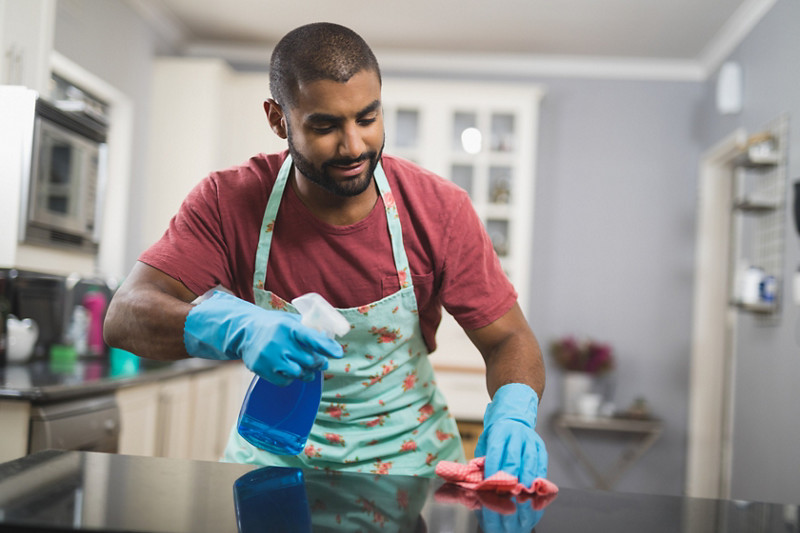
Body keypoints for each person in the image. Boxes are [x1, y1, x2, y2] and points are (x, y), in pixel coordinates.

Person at [104, 22, 548, 484]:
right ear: (279, 120)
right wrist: (234, 327)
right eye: (325, 125)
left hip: (408, 466)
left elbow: (509, 338)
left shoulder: (439, 209)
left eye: (367, 118)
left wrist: (514, 412)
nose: (354, 145)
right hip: (270, 459)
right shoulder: (228, 200)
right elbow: (124, 316)